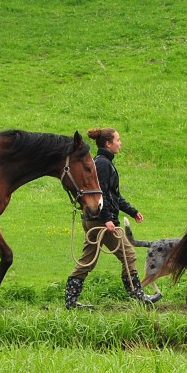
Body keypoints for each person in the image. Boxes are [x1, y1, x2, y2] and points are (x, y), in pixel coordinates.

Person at [64, 127, 161, 309]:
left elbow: (114, 195)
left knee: (87, 260)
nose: (120, 143)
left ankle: (70, 302)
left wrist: (132, 211)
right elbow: (101, 195)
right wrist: (107, 218)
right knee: (129, 255)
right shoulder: (102, 164)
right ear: (108, 144)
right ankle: (137, 296)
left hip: (96, 219)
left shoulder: (104, 162)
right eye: (118, 140)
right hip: (101, 221)